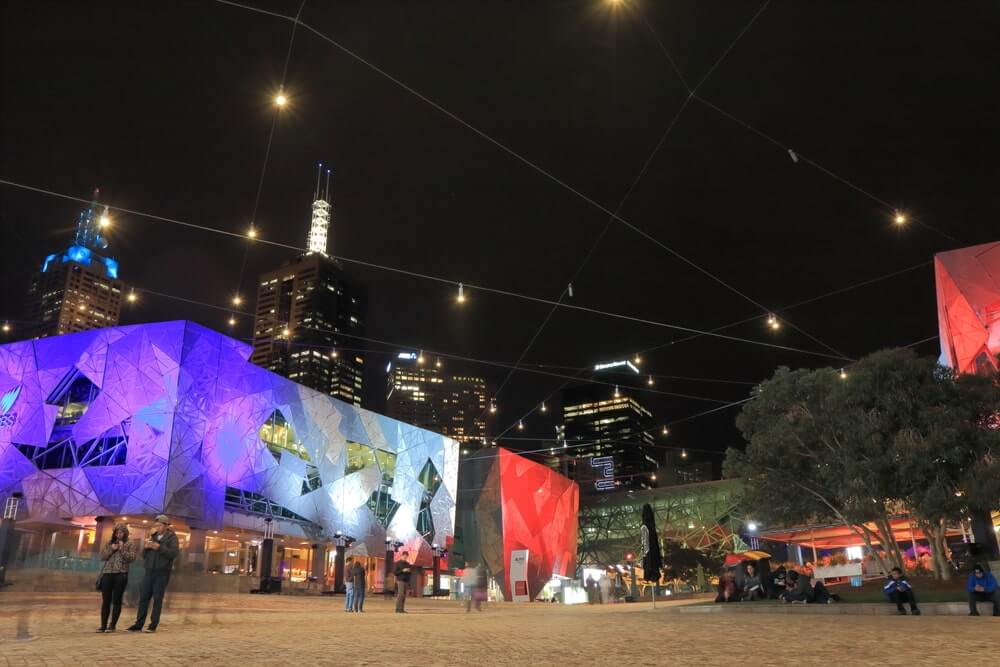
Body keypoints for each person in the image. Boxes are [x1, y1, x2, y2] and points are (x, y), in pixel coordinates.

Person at [126, 514, 179, 633]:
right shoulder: (153, 536)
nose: (157, 527)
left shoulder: (172, 537)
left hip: (162, 573)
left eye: (159, 525)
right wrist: (146, 547)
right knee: (143, 598)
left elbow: (174, 553)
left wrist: (159, 547)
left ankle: (153, 625)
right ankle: (138, 624)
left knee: (157, 599)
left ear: (166, 525)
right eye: (156, 525)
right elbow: (144, 555)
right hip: (149, 572)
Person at [97, 523, 137, 632]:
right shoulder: (109, 543)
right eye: (117, 532)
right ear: (114, 533)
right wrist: (112, 549)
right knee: (106, 601)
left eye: (121, 532)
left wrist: (122, 549)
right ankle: (103, 625)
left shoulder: (130, 543)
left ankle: (112, 625)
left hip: (121, 574)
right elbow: (102, 557)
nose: (119, 534)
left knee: (117, 600)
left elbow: (132, 558)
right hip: (107, 573)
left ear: (125, 533)